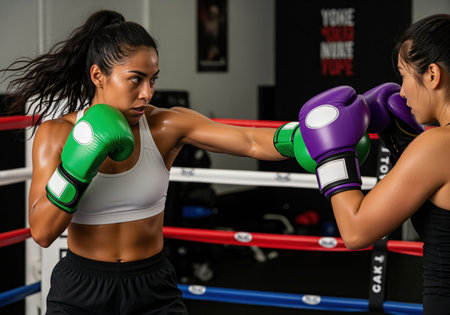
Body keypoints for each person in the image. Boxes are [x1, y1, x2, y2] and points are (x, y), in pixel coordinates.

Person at [0, 9, 295, 314]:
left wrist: (307, 139)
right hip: (80, 289)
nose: (147, 93)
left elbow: (249, 141)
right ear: (98, 76)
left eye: (153, 80)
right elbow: (43, 233)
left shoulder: (165, 126)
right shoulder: (57, 134)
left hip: (151, 287)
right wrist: (76, 167)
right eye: (135, 80)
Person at [297, 14, 450, 314]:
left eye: (405, 75)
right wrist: (403, 140)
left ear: (432, 75)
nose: (402, 91)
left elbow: (355, 231)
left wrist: (333, 153)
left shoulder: (437, 146)